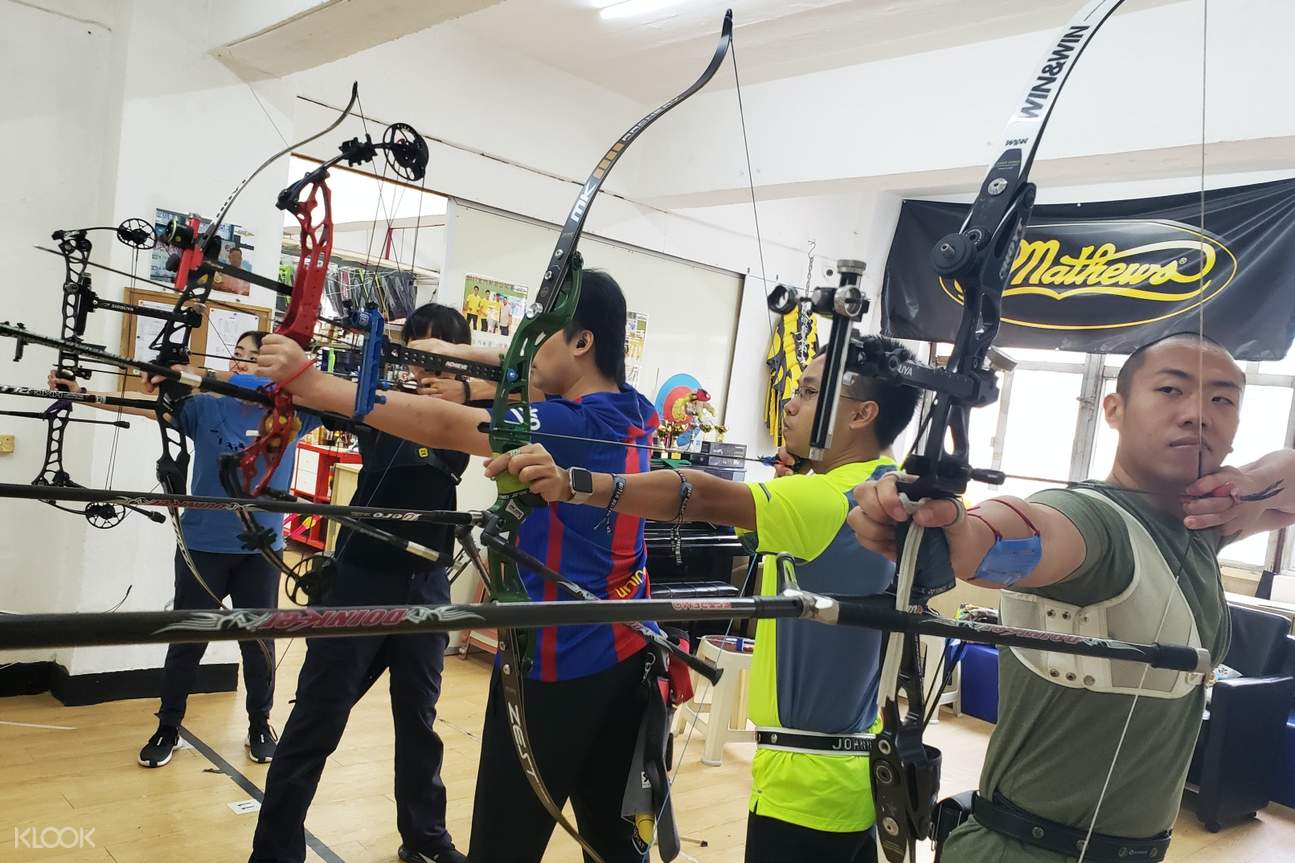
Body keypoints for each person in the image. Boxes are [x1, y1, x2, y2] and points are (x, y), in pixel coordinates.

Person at [254, 269, 662, 863]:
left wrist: (310, 382)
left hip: (555, 665)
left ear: (581, 343)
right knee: (612, 838)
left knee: (504, 839)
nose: (522, 347)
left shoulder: (568, 427)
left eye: (540, 333)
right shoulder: (634, 411)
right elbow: (523, 375)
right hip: (624, 656)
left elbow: (447, 426)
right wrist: (454, 355)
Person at [846, 332, 1295, 863]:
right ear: (1114, 408)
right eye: (1171, 390)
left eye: (1223, 399)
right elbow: (1019, 532)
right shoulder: (1092, 521)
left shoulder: (1201, 526)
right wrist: (948, 532)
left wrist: (1245, 485)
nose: (1199, 414)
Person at [485, 336, 922, 863]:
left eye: (808, 392)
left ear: (862, 414)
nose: (790, 402)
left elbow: (701, 494)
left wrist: (572, 483)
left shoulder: (826, 499)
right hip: (865, 776)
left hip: (803, 786)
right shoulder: (891, 492)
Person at [250, 304, 484, 863]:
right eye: (418, 354)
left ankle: (425, 839)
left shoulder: (467, 416)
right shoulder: (372, 400)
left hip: (426, 582)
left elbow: (449, 459)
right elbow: (304, 403)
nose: (427, 370)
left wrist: (464, 391)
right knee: (315, 720)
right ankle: (275, 851)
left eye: (441, 358)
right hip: (360, 580)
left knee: (419, 723)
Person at [52, 331, 319, 768]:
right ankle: (168, 726)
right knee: (187, 639)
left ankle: (259, 723)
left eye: (256, 358)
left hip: (262, 551)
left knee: (258, 642)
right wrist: (83, 394)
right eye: (239, 355)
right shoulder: (206, 406)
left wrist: (292, 377)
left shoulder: (292, 414)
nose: (244, 363)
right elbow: (144, 407)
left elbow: (335, 402)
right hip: (204, 547)